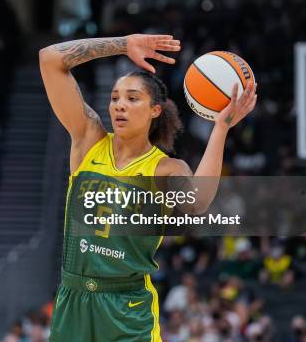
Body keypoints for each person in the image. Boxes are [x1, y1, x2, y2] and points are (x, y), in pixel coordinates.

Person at [38, 34, 257, 341]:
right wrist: (123, 44)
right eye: (114, 98)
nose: (119, 106)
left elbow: (198, 202)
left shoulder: (165, 168)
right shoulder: (89, 141)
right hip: (72, 298)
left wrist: (221, 128)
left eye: (132, 98)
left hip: (126, 305)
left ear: (155, 110)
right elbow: (50, 59)